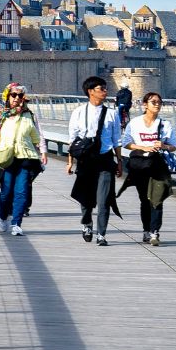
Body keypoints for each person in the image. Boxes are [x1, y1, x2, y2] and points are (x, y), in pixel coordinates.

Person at [67, 76, 122, 245]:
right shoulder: (79, 112)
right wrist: (70, 162)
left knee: (104, 199)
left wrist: (119, 161)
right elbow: (73, 140)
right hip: (86, 160)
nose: (105, 91)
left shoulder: (112, 114)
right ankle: (87, 223)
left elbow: (116, 140)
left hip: (105, 160)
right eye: (101, 88)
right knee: (86, 199)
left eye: (105, 88)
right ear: (90, 91)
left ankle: (102, 234)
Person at [119, 92, 176, 245]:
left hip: (158, 165)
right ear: (145, 105)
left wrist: (164, 146)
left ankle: (155, 232)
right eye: (153, 102)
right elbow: (126, 143)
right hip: (140, 165)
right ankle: (146, 230)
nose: (157, 104)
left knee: (157, 199)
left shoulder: (165, 125)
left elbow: (173, 147)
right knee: (145, 200)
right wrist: (143, 146)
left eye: (159, 102)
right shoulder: (135, 123)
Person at [0, 85, 47, 235]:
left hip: (25, 157)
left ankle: (16, 223)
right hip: (6, 158)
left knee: (21, 191)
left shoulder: (28, 114)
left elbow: (36, 135)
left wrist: (43, 151)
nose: (16, 98)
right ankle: (3, 216)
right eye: (13, 95)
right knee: (6, 192)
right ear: (7, 96)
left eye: (20, 96)